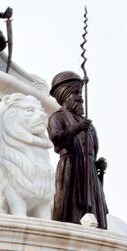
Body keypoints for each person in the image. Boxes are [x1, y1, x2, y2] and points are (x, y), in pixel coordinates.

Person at [47, 71, 108, 228]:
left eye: (80, 93)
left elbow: (93, 149)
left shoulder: (88, 125)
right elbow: (56, 138)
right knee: (71, 211)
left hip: (89, 171)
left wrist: (98, 165)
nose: (80, 97)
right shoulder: (57, 118)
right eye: (75, 93)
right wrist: (76, 129)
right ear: (64, 95)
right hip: (71, 167)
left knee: (94, 211)